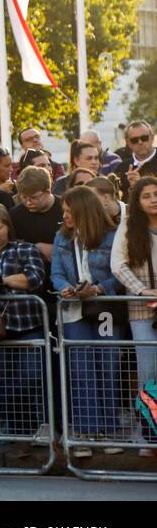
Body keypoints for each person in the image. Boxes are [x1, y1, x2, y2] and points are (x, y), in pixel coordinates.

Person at [51, 186, 123, 459]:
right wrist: (65, 288)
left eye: (69, 212)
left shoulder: (112, 236)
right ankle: (84, 431)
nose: (65, 217)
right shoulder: (61, 236)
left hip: (105, 309)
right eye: (64, 212)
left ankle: (109, 430)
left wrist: (99, 289)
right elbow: (56, 272)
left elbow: (119, 273)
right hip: (74, 310)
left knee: (108, 364)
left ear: (83, 210)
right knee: (80, 368)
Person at [0, 205, 47, 445]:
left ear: (8, 227)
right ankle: (18, 432)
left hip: (27, 324)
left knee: (31, 376)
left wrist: (1, 281)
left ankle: (11, 417)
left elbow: (34, 279)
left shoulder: (24, 249)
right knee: (3, 380)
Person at [112, 176, 157, 456]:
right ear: (137, 202)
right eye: (147, 195)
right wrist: (142, 291)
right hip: (143, 309)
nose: (153, 198)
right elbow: (118, 264)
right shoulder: (129, 226)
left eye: (156, 193)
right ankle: (147, 437)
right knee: (148, 374)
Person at [9, 166, 62, 266]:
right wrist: (36, 248)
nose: (28, 202)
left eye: (33, 197)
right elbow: (10, 246)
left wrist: (56, 249)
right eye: (23, 197)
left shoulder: (66, 209)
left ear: (47, 191)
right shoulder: (15, 215)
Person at [116, 120, 157, 194]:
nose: (140, 142)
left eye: (144, 138)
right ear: (128, 143)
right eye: (134, 140)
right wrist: (132, 188)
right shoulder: (122, 168)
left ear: (152, 138)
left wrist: (141, 185)